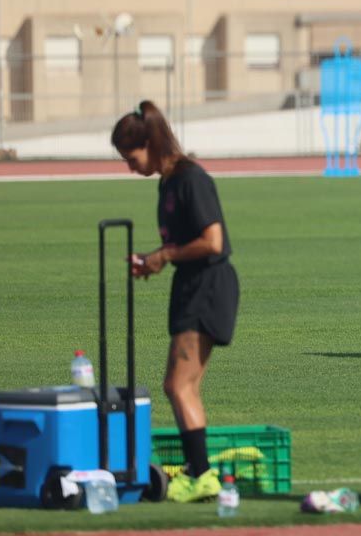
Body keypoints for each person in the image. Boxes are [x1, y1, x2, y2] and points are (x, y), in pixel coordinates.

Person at [111, 100, 240, 502]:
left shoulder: (189, 179)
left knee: (177, 385)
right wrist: (154, 260)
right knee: (184, 387)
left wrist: (164, 256)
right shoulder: (166, 183)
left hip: (207, 286)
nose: (130, 167)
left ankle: (202, 476)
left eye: (131, 158)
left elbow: (212, 240)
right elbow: (181, 243)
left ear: (150, 143)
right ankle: (197, 470)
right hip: (191, 285)